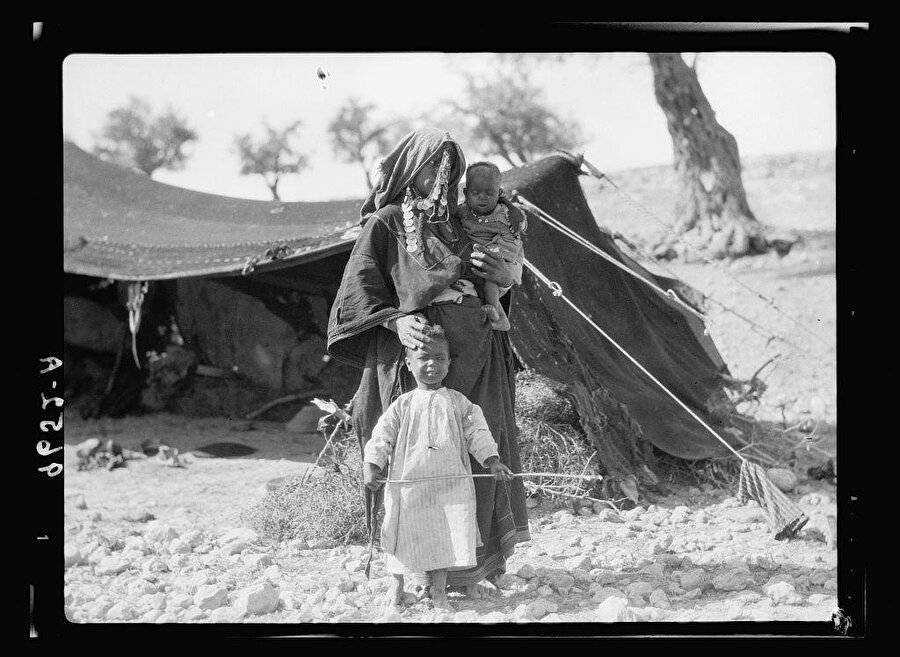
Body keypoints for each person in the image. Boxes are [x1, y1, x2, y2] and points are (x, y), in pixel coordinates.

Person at [327, 127, 530, 599]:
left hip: (478, 359)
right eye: (431, 165)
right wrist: (397, 324)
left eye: (449, 166)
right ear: (408, 168)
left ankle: (469, 569)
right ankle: (415, 567)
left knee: (476, 449)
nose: (441, 175)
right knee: (418, 461)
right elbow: (356, 297)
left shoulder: (464, 222)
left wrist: (508, 278)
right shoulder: (387, 223)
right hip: (416, 362)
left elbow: (495, 278)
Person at [362, 324, 515, 610]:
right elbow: (381, 436)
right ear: (408, 364)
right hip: (408, 487)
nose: (432, 364)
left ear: (449, 363)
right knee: (399, 533)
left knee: (445, 535)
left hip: (449, 488)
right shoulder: (402, 405)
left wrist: (492, 460)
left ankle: (441, 594)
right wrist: (372, 463)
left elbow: (478, 434)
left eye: (440, 358)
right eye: (424, 358)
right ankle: (395, 589)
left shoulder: (459, 403)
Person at [457, 161, 527, 331]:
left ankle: (496, 313)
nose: (483, 197)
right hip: (480, 256)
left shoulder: (505, 213)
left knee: (491, 278)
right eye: (476, 192)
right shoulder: (462, 211)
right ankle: (500, 317)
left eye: (490, 193)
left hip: (503, 256)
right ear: (466, 193)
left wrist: (517, 214)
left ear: (499, 193)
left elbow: (515, 234)